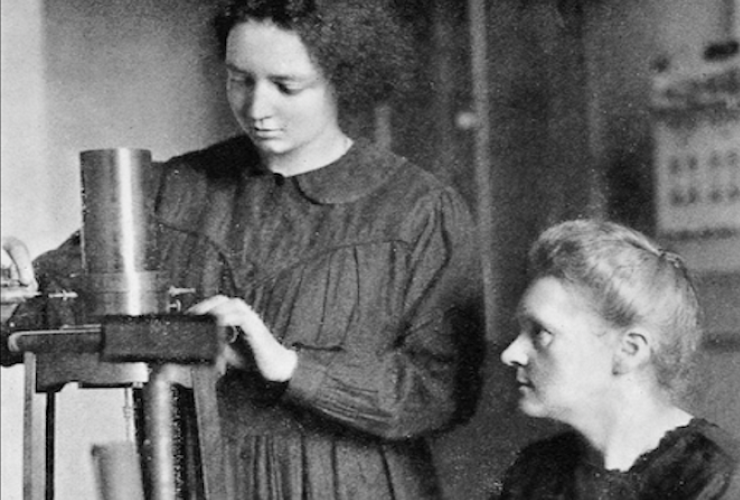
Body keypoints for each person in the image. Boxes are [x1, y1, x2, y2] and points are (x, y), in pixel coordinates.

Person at [1, 1, 484, 498]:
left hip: (354, 485)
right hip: (200, 482)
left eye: (286, 86)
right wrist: (10, 298)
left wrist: (289, 366)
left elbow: (440, 392)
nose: (256, 108)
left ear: (343, 76)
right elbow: (33, 318)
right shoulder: (168, 192)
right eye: (239, 79)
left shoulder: (418, 210)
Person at [494, 219, 740, 500]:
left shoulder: (717, 477)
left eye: (541, 333)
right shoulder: (535, 471)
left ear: (629, 350)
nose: (511, 353)